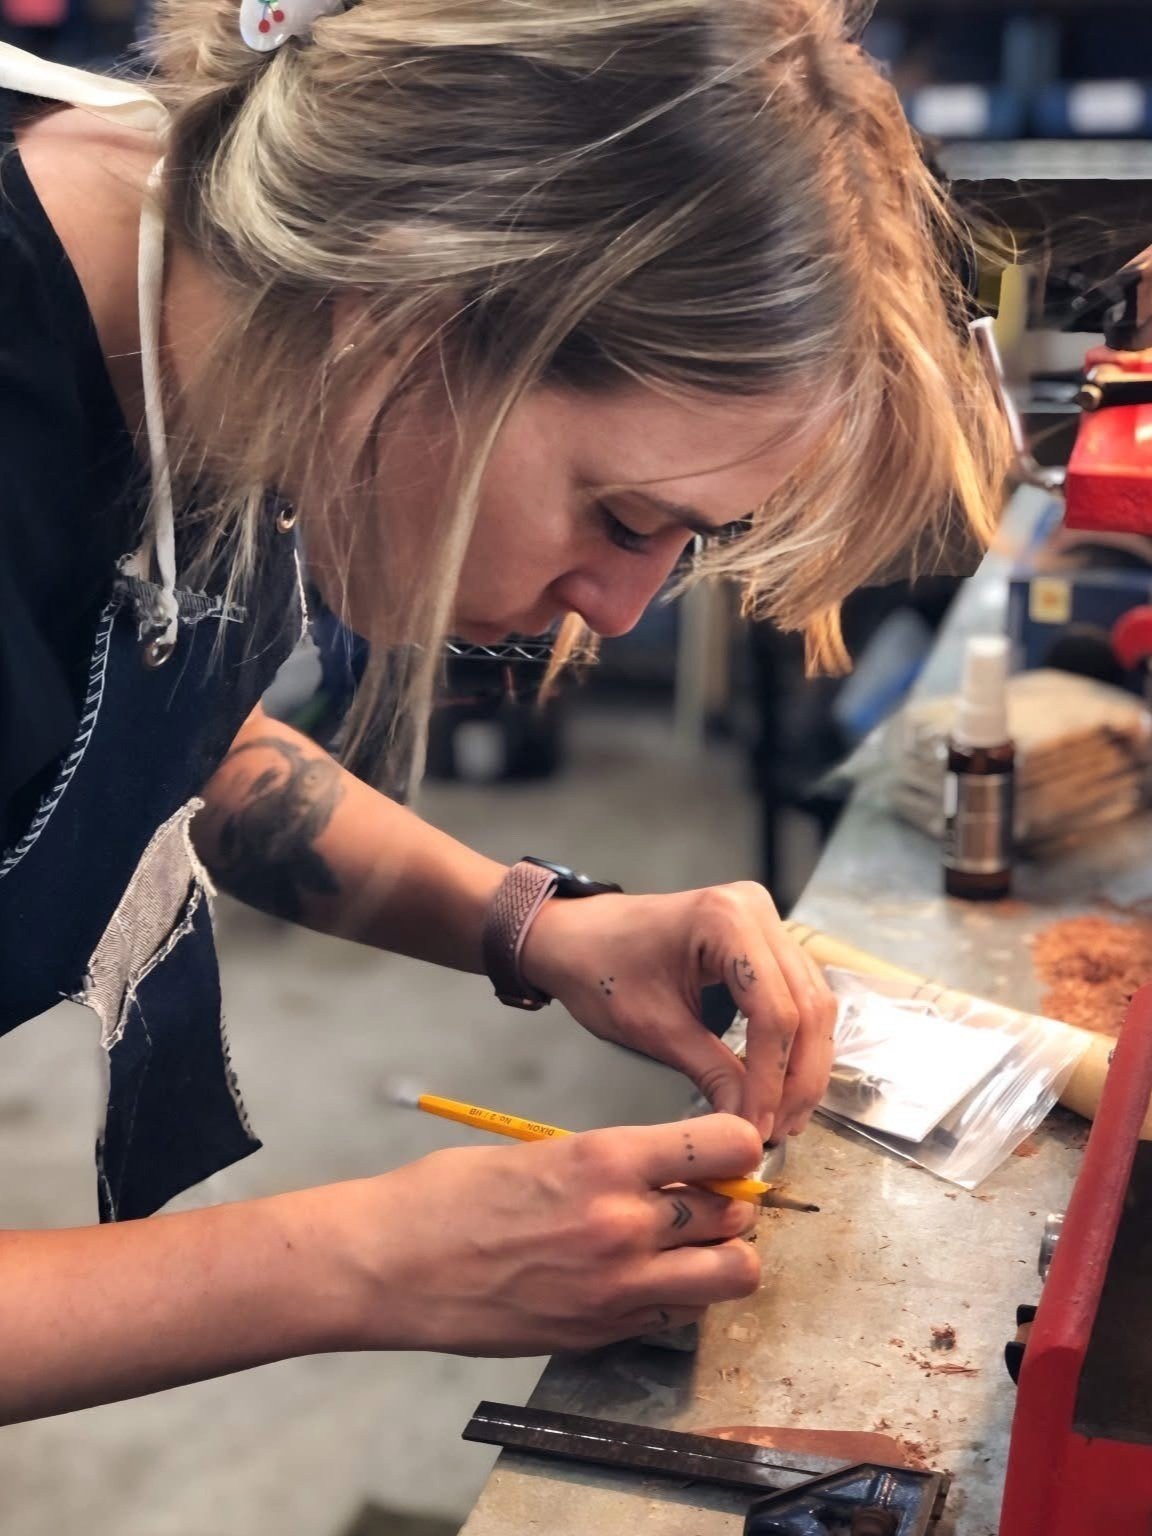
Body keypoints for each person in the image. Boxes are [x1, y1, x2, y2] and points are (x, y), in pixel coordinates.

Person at [0, 0, 1008, 1424]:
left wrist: (536, 923)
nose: (618, 609)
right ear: (414, 313)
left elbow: (147, 735)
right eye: (626, 514)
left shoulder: (235, 285)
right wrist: (358, 1265)